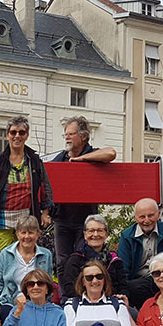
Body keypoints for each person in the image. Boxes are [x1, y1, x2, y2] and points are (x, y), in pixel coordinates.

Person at [0, 116, 54, 260]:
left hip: (26, 220)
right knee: (3, 259)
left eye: (21, 132)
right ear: (7, 135)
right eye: (13, 132)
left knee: (25, 258)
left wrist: (46, 212)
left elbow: (44, 186)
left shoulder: (34, 161)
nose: (17, 136)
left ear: (27, 135)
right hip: (0, 220)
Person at [50, 116, 117, 273]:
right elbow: (48, 176)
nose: (67, 137)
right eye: (65, 134)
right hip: (62, 218)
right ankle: (66, 289)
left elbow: (111, 153)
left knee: (86, 260)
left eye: (71, 134)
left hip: (86, 220)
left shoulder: (92, 153)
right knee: (62, 262)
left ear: (84, 136)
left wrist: (81, 159)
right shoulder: (61, 158)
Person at [117, 198, 163, 309]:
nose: (147, 220)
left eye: (150, 215)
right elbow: (123, 268)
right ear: (135, 218)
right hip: (138, 283)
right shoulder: (127, 236)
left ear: (158, 214)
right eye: (142, 217)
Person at [60, 214, 127, 300]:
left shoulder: (114, 260)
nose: (95, 234)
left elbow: (123, 287)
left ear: (106, 234)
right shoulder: (75, 260)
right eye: (91, 231)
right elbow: (70, 289)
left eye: (100, 231)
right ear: (85, 235)